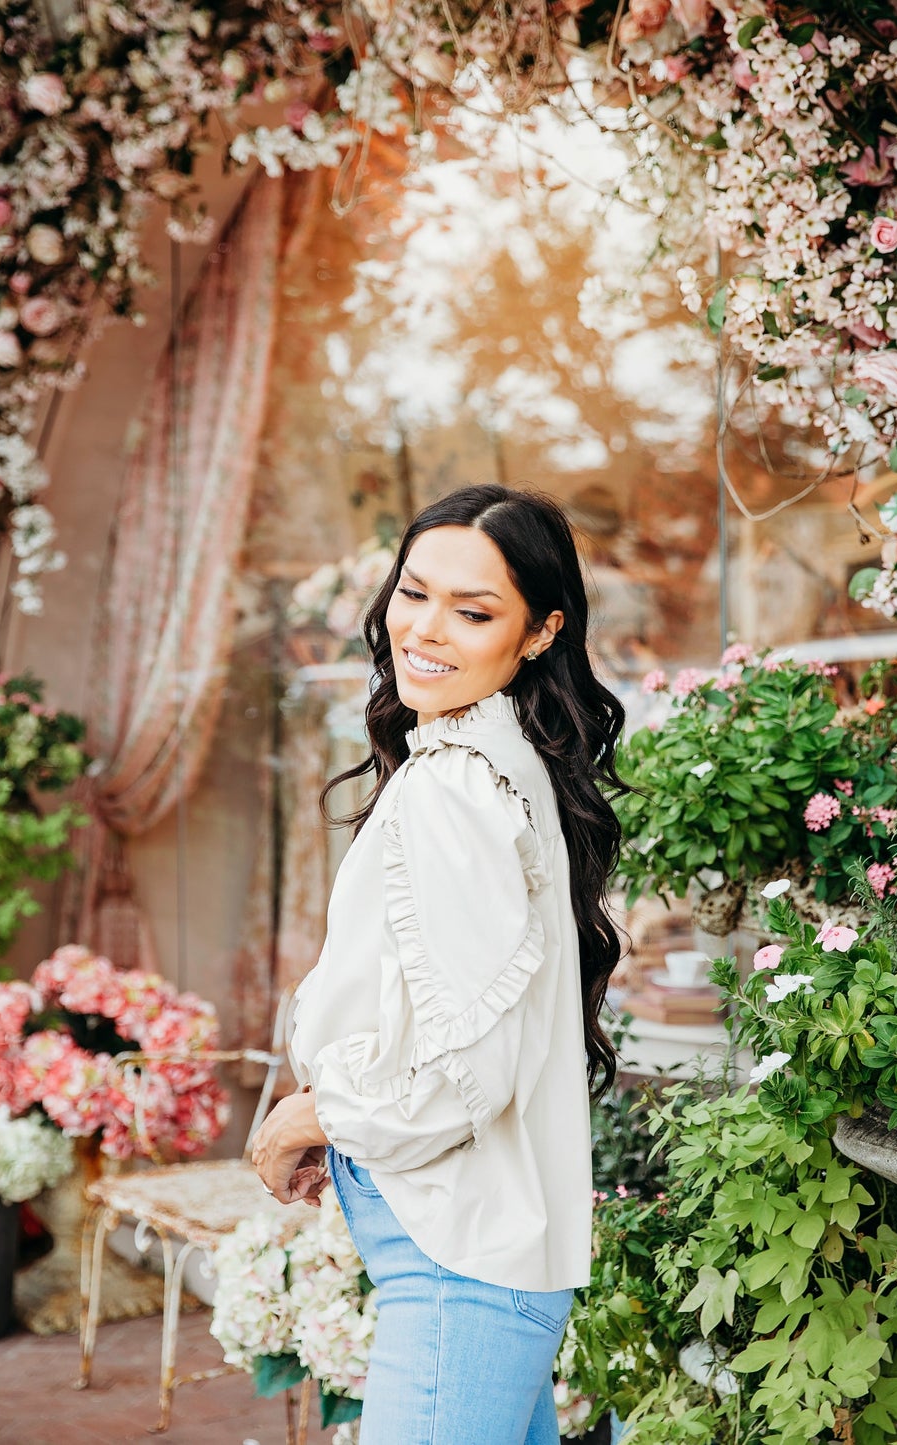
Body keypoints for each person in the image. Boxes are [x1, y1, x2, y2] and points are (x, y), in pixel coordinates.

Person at [251, 483, 628, 1444]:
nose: (424, 629)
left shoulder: (459, 785)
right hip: (472, 1254)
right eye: (413, 592)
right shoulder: (491, 760)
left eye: (473, 611)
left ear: (540, 632)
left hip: (460, 1261)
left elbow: (475, 1074)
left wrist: (317, 1111)